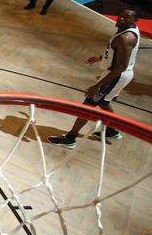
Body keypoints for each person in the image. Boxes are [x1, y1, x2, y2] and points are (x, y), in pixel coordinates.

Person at [49, 9, 140, 148]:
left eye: (126, 17)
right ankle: (111, 130)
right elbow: (116, 54)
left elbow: (121, 65)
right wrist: (100, 58)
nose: (121, 19)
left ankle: (71, 138)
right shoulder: (128, 30)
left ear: (134, 20)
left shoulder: (125, 37)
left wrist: (98, 85)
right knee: (104, 102)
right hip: (118, 74)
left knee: (88, 105)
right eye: (120, 15)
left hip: (116, 75)